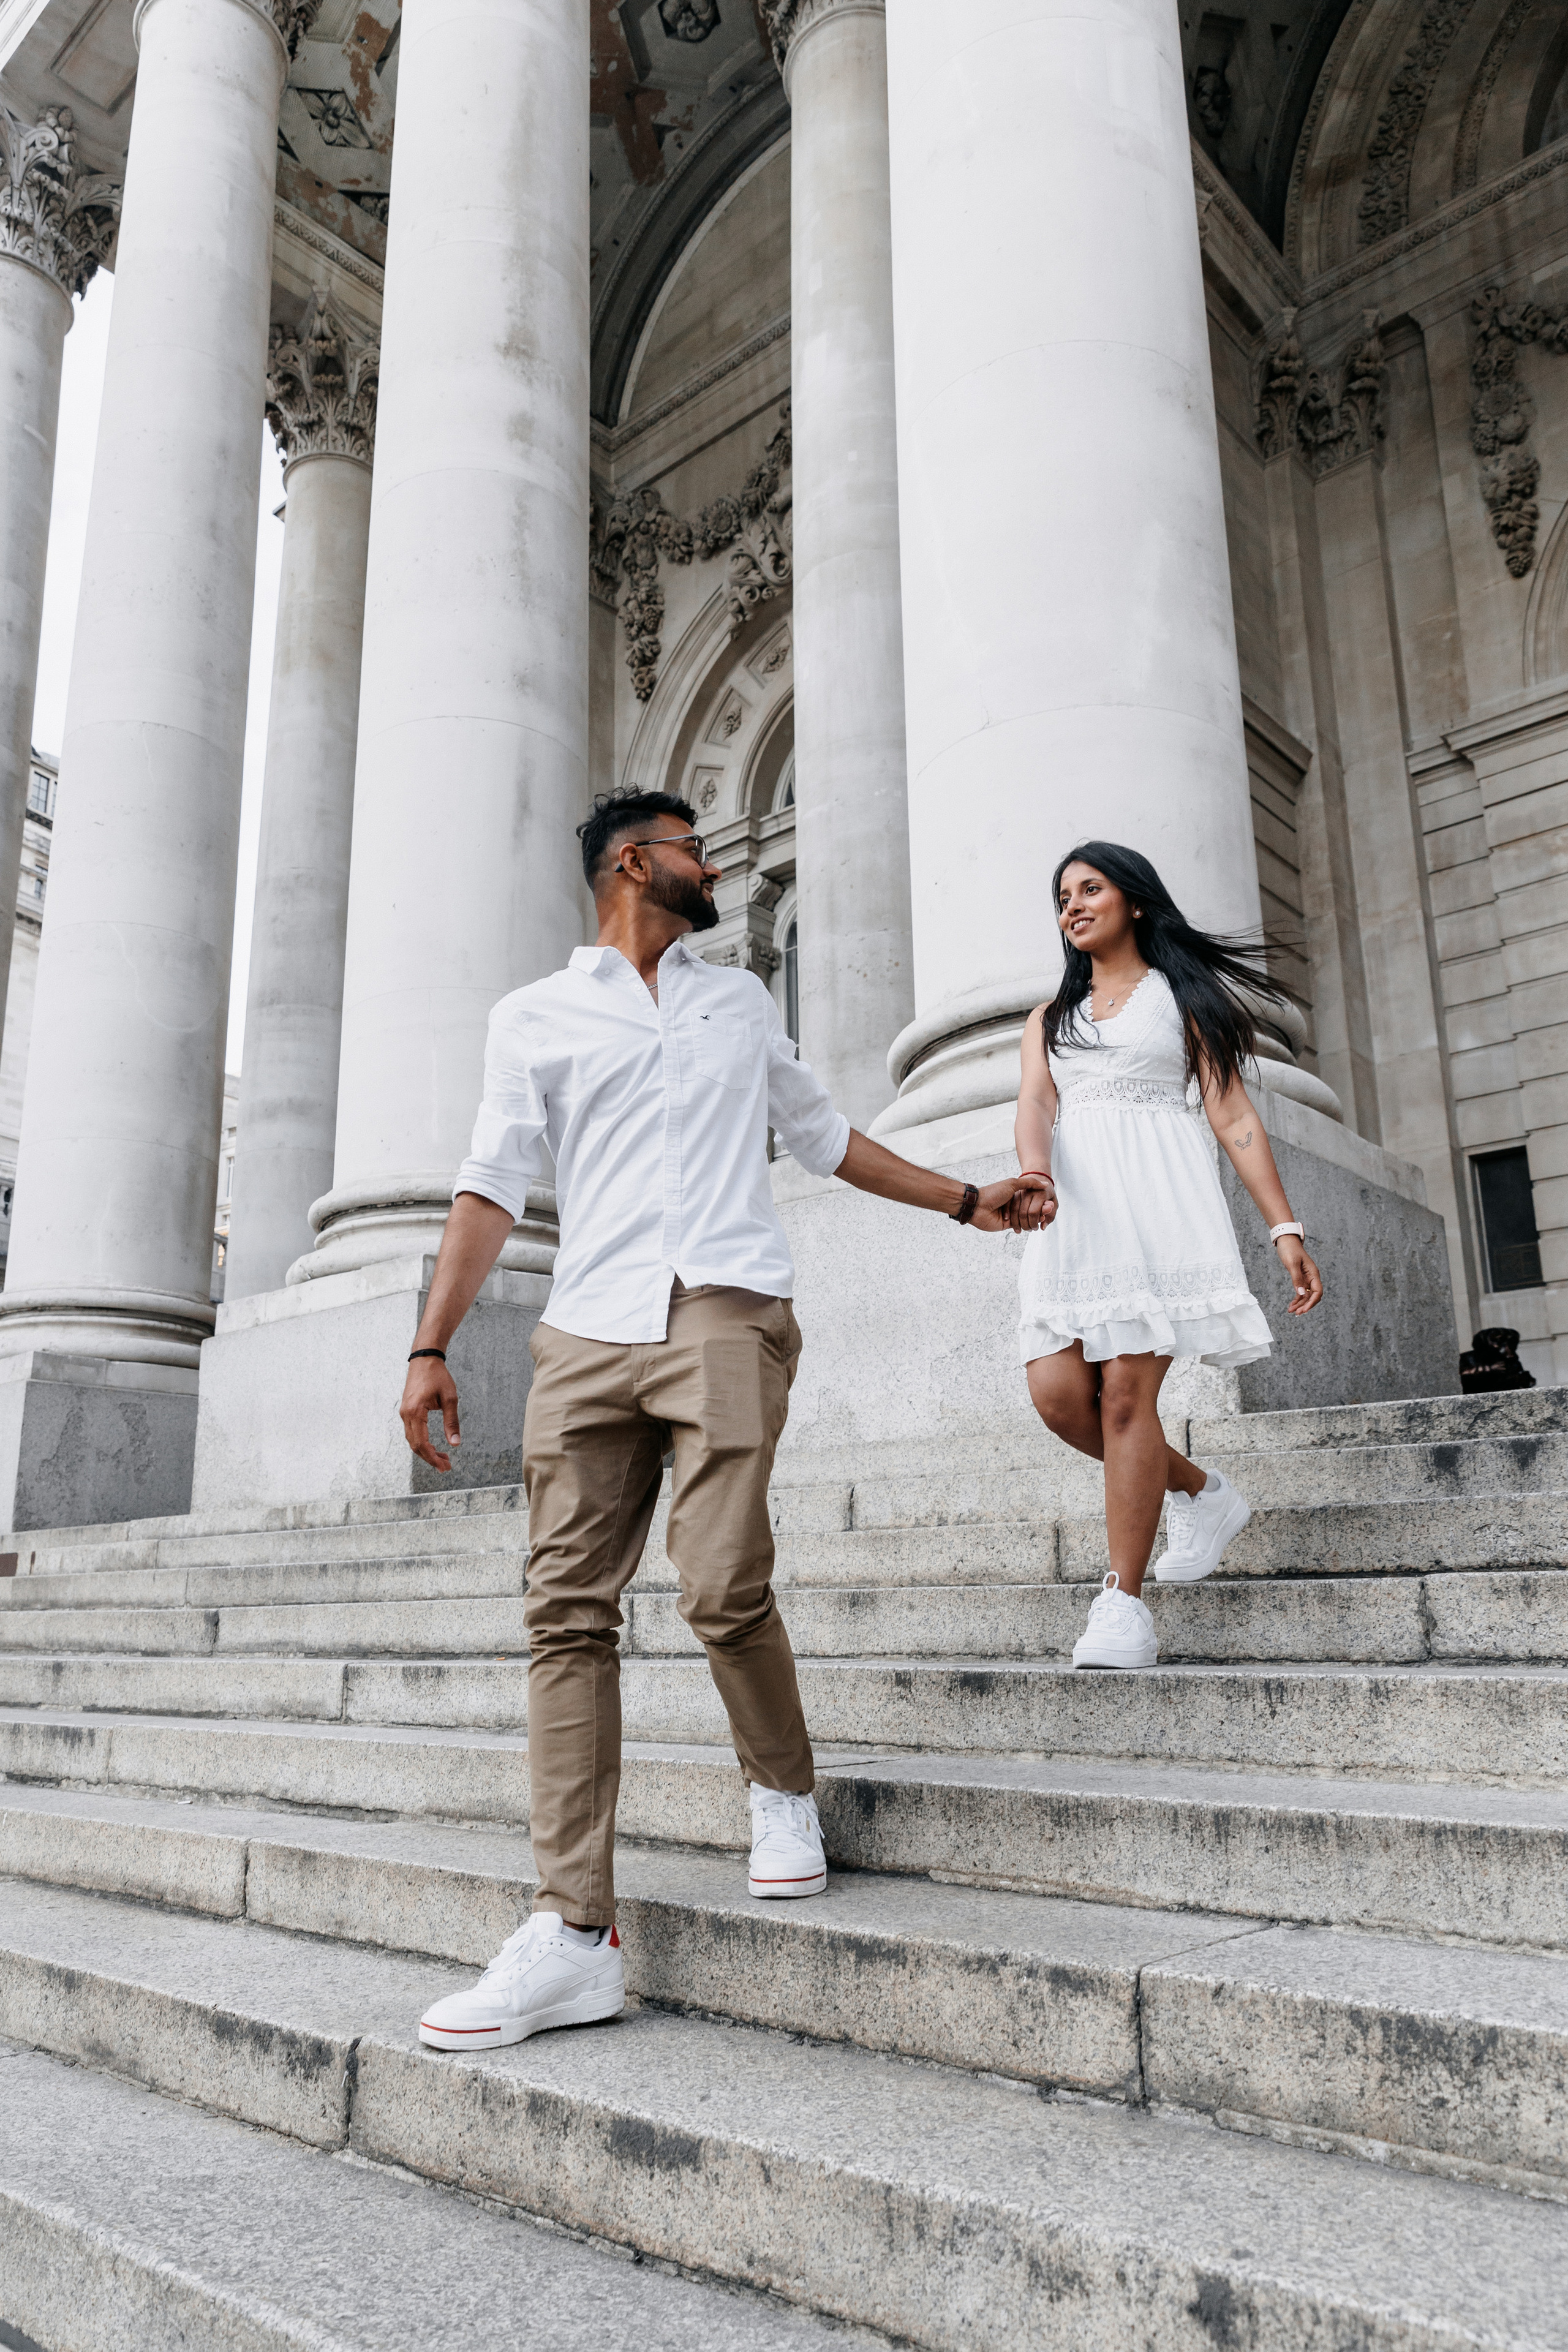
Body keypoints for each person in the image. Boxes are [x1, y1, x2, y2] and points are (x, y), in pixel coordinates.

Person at [404, 787, 1050, 2050]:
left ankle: (781, 1793)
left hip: (723, 1308)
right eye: (694, 851)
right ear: (635, 866)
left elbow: (823, 1139)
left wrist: (965, 1199)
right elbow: (490, 1185)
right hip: (587, 1328)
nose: (714, 867)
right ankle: (574, 1934)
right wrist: (430, 1343)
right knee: (564, 1615)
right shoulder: (531, 1018)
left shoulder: (737, 1002)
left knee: (717, 1584)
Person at [1014, 841, 1323, 1672]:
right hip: (1073, 1216)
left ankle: (1123, 1604)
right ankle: (1199, 1491)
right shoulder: (1050, 1017)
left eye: (1090, 888)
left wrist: (1283, 1228)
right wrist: (1033, 1173)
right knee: (1056, 1395)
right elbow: (1038, 1101)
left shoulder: (1184, 997)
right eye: (1062, 895)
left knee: (1123, 1397)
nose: (1072, 904)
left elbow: (1234, 1118)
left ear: (1136, 901)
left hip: (1156, 1209)